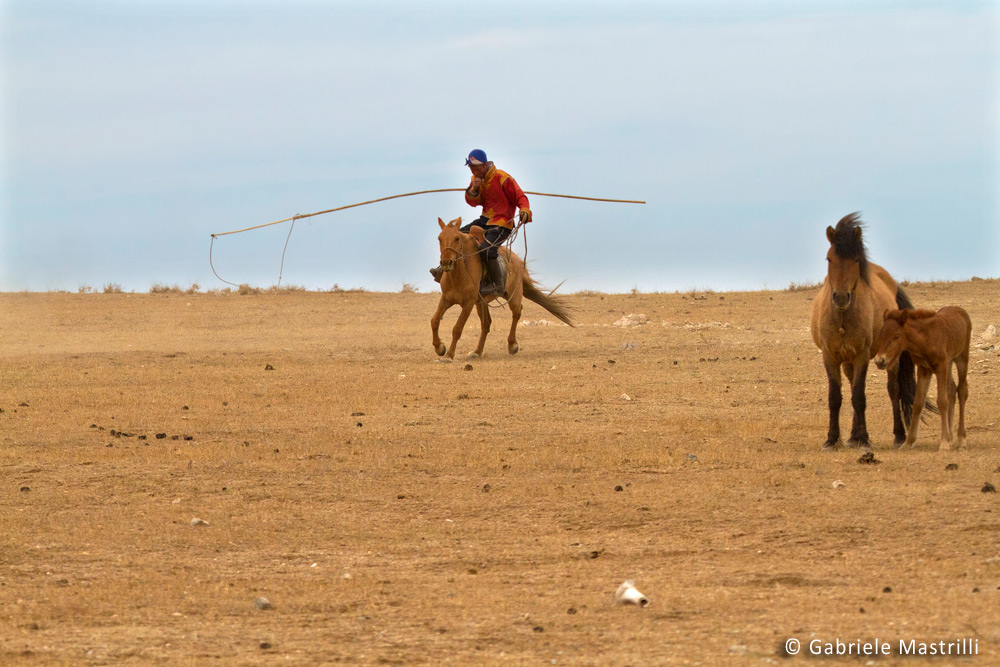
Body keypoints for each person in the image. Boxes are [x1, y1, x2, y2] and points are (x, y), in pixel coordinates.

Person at [430, 149, 532, 295]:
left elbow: (521, 197)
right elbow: (473, 203)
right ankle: (442, 269)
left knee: (486, 250)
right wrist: (473, 190)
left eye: (476, 167)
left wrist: (525, 211)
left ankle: (498, 285)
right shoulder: (475, 179)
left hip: (502, 224)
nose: (473, 170)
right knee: (454, 236)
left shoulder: (503, 178)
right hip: (485, 220)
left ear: (484, 165)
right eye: (471, 167)